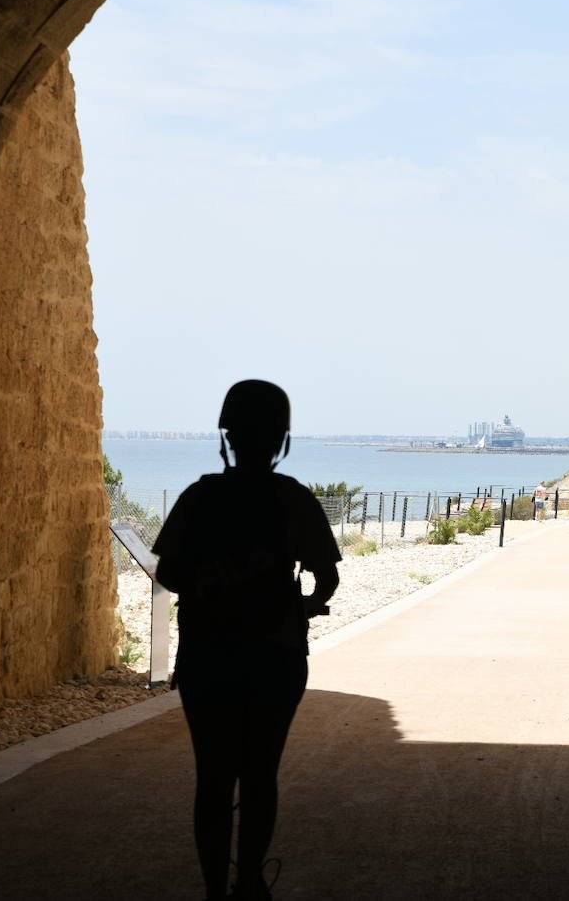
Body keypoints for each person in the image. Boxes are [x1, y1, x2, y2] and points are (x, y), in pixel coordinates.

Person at [153, 380, 341, 901]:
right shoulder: (293, 499)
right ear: (280, 439)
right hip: (275, 658)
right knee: (260, 775)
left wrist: (214, 590)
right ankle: (249, 880)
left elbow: (167, 572)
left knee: (212, 778)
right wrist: (298, 606)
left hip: (207, 657)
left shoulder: (200, 497)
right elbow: (327, 578)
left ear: (227, 436)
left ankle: (216, 889)